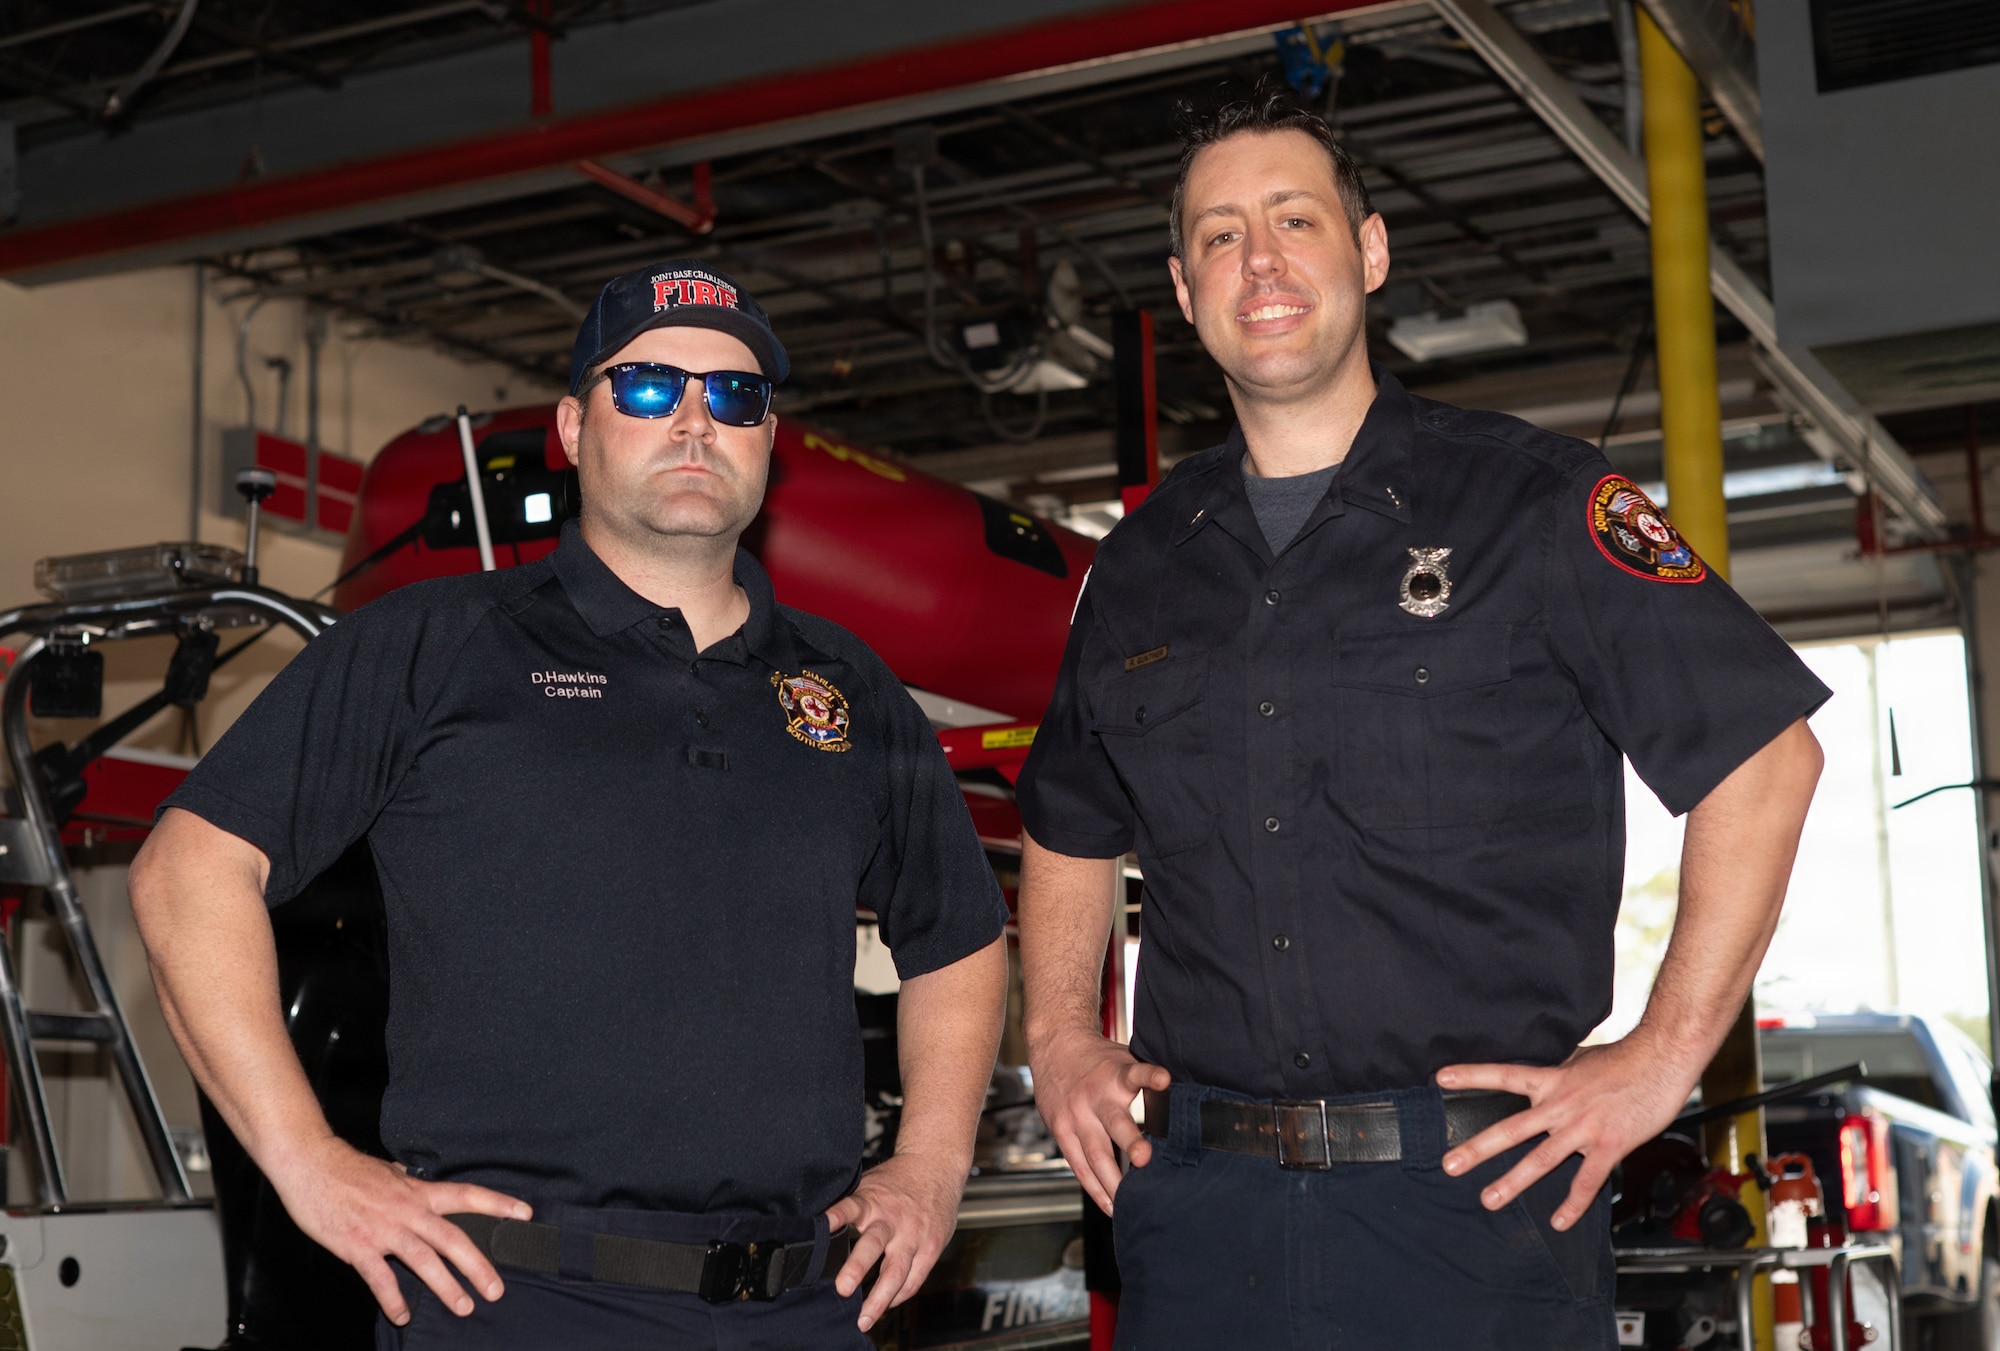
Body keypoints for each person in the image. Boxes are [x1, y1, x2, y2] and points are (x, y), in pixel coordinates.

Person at [1014, 89, 1827, 1348]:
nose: (1261, 261)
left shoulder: (1538, 506)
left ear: (1370, 251)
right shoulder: (1140, 566)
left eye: (1294, 218)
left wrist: (1661, 1057)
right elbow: (1066, 822)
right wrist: (1060, 1036)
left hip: (1472, 1218)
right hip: (1194, 1226)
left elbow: (1766, 757)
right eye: (1220, 236)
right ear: (1183, 290)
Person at [130, 259, 1010, 1349]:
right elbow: (189, 870)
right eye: (646, 387)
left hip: (801, 1307)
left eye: (732, 396)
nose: (694, 420)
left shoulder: (846, 685)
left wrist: (928, 1162)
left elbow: (960, 939)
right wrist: (310, 1164)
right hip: (519, 1303)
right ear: (570, 427)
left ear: (768, 441)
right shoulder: (433, 645)